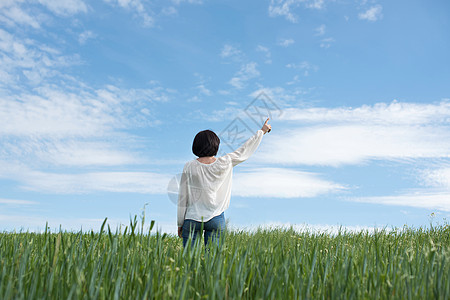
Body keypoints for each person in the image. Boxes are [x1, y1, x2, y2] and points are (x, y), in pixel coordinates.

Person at [177, 117, 272, 247]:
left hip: (192, 218)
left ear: (196, 146)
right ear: (216, 145)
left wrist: (180, 223)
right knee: (214, 262)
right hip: (216, 217)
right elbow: (245, 150)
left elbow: (183, 197)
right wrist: (262, 131)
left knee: (188, 261)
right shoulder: (225, 162)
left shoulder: (189, 166)